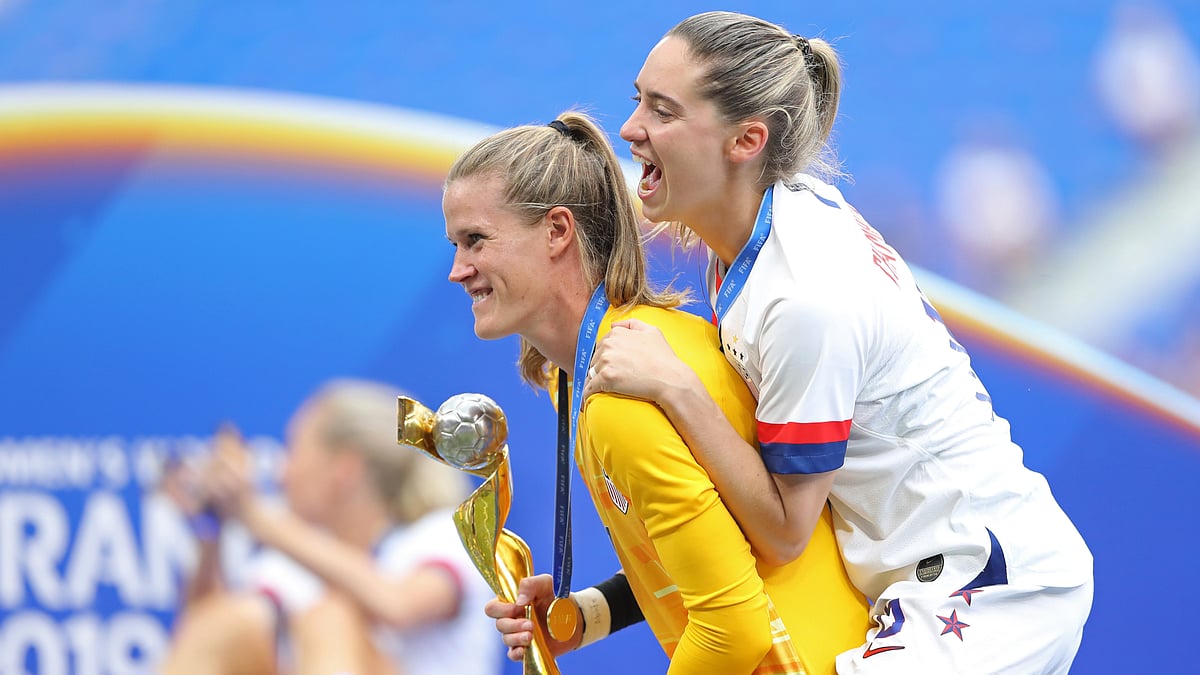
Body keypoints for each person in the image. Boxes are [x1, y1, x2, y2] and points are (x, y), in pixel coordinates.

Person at [581, 11, 1094, 673]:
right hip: (948, 577)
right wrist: (594, 611)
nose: (631, 128)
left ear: (746, 139)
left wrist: (677, 388)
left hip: (988, 587)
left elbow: (783, 531)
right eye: (637, 100)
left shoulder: (802, 294)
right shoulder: (761, 239)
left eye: (663, 110)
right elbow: (723, 509)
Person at [444, 110, 869, 675]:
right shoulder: (593, 371)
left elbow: (733, 626)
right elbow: (709, 556)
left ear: (557, 231)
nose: (457, 269)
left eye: (475, 240)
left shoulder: (622, 400)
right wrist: (583, 616)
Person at [158, 378, 501, 675]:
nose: (282, 473)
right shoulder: (296, 561)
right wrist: (210, 531)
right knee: (232, 623)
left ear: (343, 469)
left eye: (293, 450)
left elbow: (397, 604)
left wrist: (254, 517)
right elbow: (208, 630)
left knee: (330, 618)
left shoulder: (439, 535)